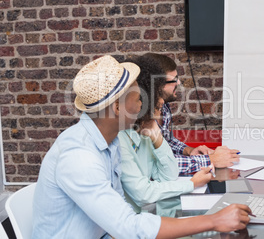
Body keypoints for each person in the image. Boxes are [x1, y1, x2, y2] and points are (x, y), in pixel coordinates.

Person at [32, 55, 251, 238]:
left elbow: (121, 215)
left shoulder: (110, 141)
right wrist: (213, 221)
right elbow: (128, 226)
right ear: (118, 107)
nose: (143, 103)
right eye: (139, 97)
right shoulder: (79, 158)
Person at [118, 58, 212, 212]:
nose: (162, 103)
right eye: (157, 99)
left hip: (145, 215)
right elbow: (143, 193)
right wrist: (192, 184)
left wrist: (158, 139)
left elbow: (168, 176)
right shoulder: (121, 138)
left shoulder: (146, 132)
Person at [139, 53, 240, 174]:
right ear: (157, 85)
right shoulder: (139, 117)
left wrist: (188, 150)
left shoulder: (164, 106)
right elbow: (155, 163)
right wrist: (210, 160)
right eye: (174, 80)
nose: (179, 82)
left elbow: (166, 141)